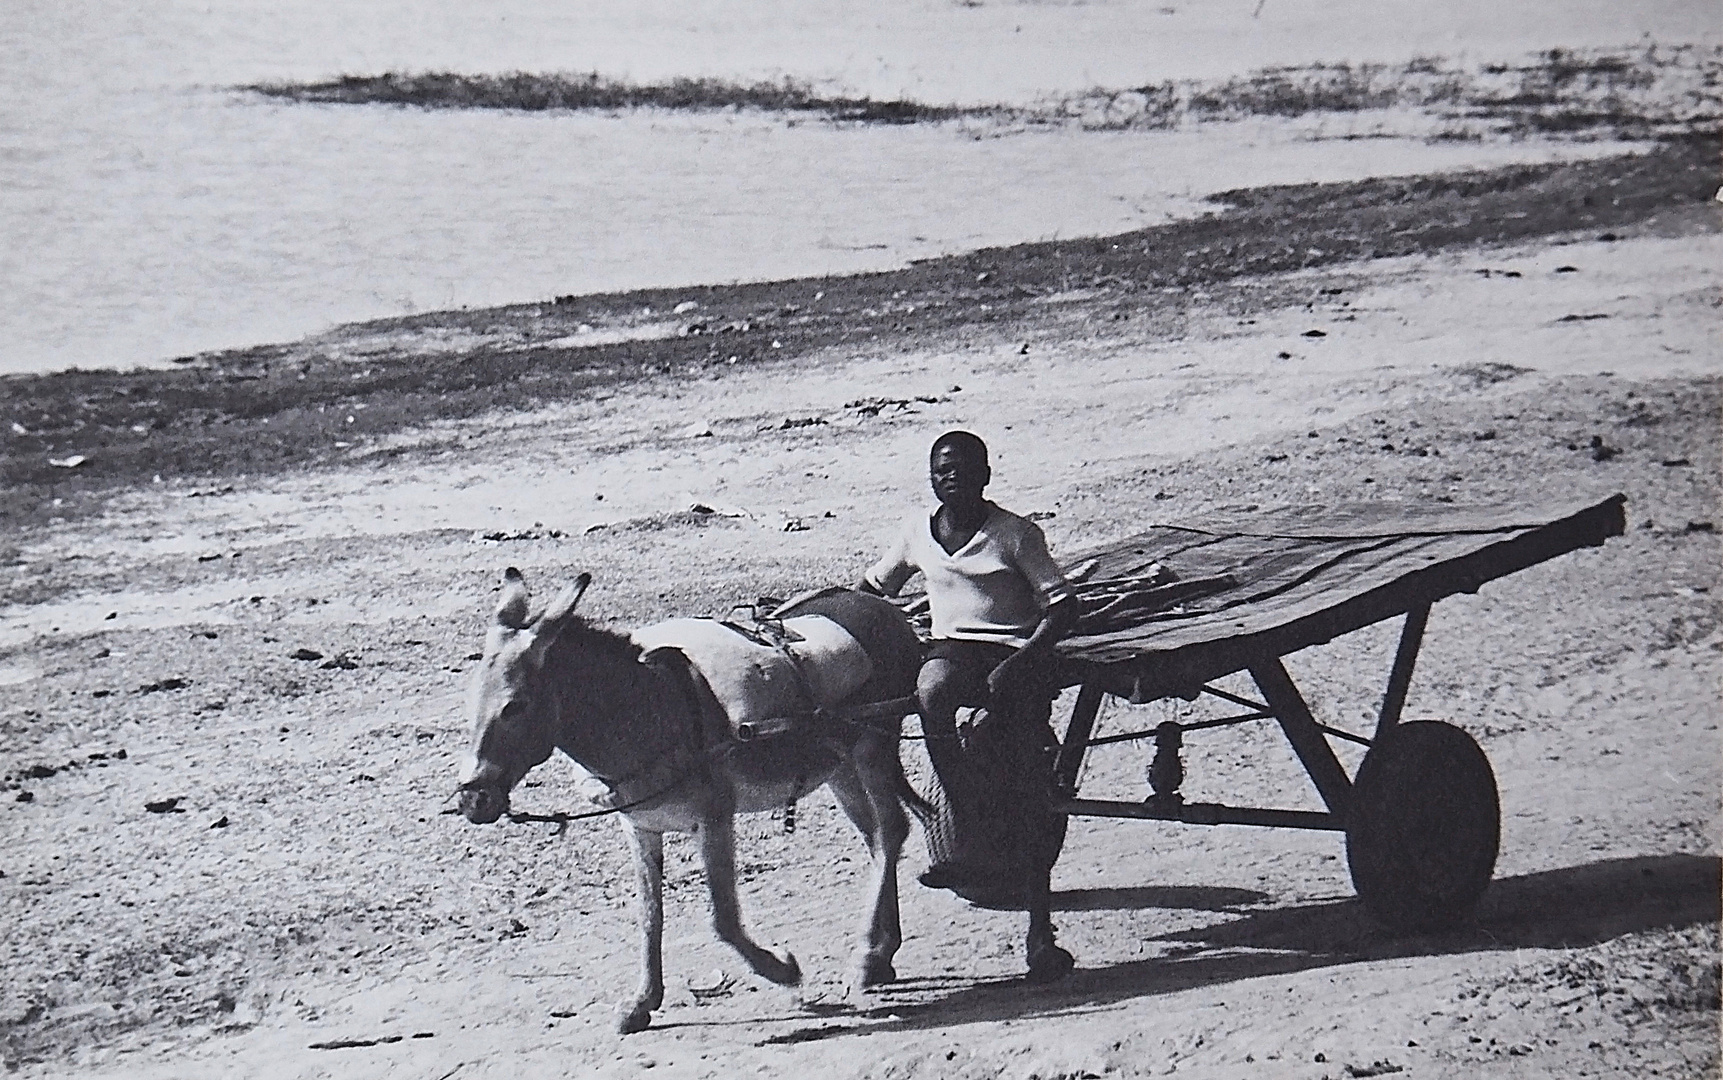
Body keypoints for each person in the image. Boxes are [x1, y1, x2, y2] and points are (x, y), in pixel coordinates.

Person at [857, 430, 1081, 891]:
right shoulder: (916, 532)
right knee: (932, 689)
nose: (952, 477)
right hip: (953, 647)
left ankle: (1009, 828)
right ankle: (963, 809)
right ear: (931, 480)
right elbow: (874, 591)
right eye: (943, 471)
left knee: (1007, 741)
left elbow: (1063, 608)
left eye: (964, 469)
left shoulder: (1016, 535)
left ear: (986, 476)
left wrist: (1016, 665)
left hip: (1013, 648)